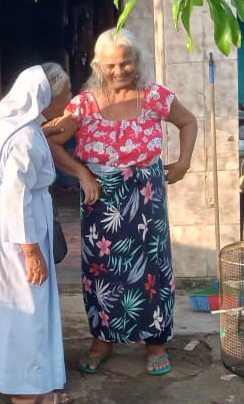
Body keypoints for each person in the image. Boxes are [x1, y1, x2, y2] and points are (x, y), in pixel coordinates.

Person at [44, 28, 198, 376]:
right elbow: (50, 141)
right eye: (110, 65)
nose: (119, 71)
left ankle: (155, 342)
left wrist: (184, 162)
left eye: (125, 63)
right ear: (99, 65)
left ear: (136, 61)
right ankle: (103, 339)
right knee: (102, 270)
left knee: (153, 268)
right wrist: (81, 173)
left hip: (147, 199)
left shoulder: (155, 96)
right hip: (102, 200)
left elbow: (188, 122)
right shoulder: (83, 104)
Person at [0, 63, 74, 404]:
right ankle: (26, 389)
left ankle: (10, 370)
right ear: (46, 97)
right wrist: (31, 251)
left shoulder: (11, 124)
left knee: (8, 299)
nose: (70, 99)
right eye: (66, 93)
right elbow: (16, 194)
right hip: (15, 225)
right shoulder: (24, 137)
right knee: (26, 300)